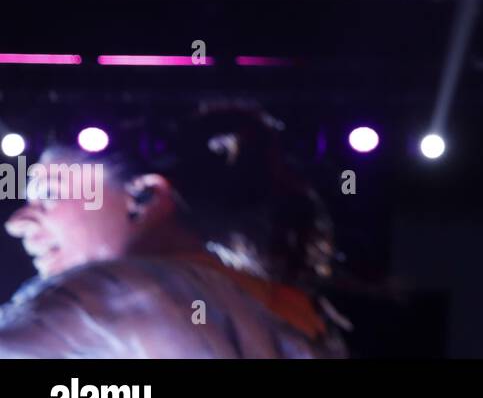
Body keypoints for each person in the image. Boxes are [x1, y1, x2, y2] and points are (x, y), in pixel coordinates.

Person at [0, 101, 348, 358]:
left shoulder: (113, 294)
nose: (17, 223)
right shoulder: (303, 314)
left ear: (145, 196)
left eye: (49, 195)